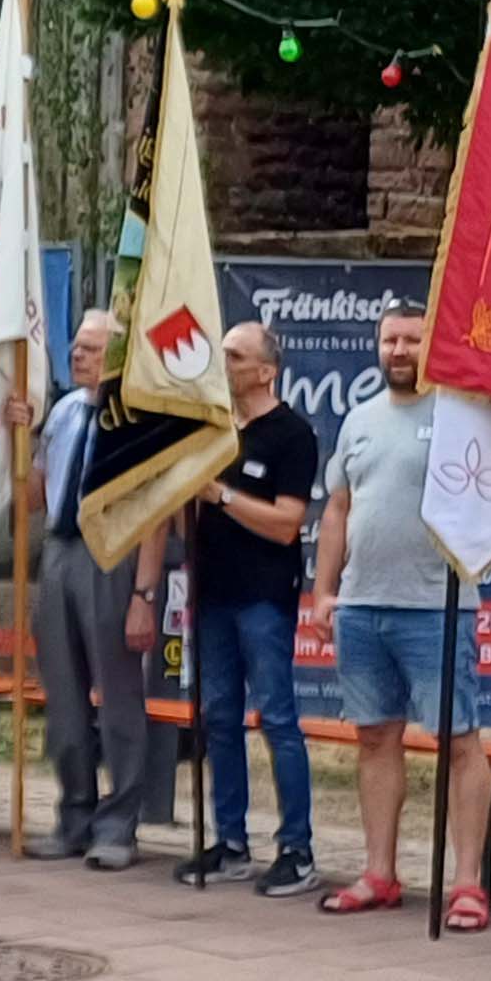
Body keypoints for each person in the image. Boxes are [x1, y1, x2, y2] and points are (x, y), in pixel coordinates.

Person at [305, 299, 491, 929]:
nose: (399, 351)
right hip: (362, 606)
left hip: (435, 608)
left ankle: (467, 884)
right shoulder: (358, 421)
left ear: (431, 345)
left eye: (412, 340)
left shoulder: (459, 419)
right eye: (390, 340)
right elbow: (337, 509)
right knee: (374, 739)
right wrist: (324, 589)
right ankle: (380, 873)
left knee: (459, 742)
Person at [175, 322, 320, 896]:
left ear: (266, 370)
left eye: (236, 356)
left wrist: (222, 495)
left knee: (278, 719)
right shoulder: (210, 431)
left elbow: (288, 524)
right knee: (218, 717)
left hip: (263, 597)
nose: (225, 363)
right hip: (212, 594)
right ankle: (231, 841)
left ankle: (297, 849)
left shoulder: (291, 434)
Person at [12, 309, 159, 870]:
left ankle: (119, 825)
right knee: (64, 698)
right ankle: (73, 815)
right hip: (59, 551)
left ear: (120, 357)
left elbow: (154, 515)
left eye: (93, 349)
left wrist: (144, 596)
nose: (79, 356)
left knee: (118, 697)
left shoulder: (140, 420)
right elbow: (33, 497)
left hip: (113, 556)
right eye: (76, 347)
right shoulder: (65, 413)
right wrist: (22, 440)